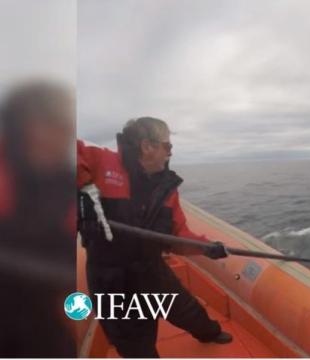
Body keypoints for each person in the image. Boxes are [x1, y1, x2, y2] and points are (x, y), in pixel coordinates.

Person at [77, 117, 232, 358]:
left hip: (150, 268)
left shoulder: (167, 189)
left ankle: (208, 333)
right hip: (110, 278)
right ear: (147, 146)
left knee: (185, 308)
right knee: (135, 342)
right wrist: (84, 192)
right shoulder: (101, 161)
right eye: (167, 146)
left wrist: (207, 248)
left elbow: (179, 234)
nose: (170, 152)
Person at [0, 80, 76, 356]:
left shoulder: (65, 181)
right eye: (53, 123)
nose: (63, 133)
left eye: (65, 124)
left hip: (43, 312)